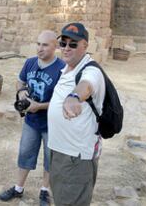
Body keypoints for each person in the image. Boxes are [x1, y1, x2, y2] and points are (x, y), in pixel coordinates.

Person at [0, 31, 65, 206]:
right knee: (25, 154)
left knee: (50, 159)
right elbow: (20, 81)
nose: (40, 48)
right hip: (31, 122)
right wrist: (21, 92)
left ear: (55, 47)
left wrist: (39, 106)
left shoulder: (62, 68)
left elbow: (64, 101)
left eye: (45, 45)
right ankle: (18, 188)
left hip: (52, 124)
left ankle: (45, 192)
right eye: (38, 44)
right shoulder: (29, 63)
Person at [47, 22, 105, 206]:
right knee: (61, 198)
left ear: (85, 46)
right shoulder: (67, 68)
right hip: (61, 151)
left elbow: (86, 85)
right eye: (63, 43)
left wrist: (74, 97)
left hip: (75, 157)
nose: (66, 48)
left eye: (73, 44)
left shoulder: (90, 70)